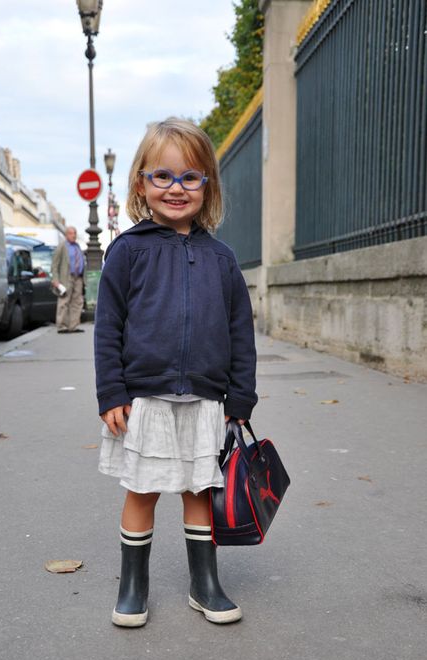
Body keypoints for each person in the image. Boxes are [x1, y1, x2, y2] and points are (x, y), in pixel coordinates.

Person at [94, 118, 257, 628]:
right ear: (141, 182)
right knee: (140, 490)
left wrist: (241, 396)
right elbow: (108, 328)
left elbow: (240, 331)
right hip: (144, 398)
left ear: (207, 184)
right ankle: (132, 585)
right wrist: (111, 391)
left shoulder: (222, 259)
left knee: (198, 491)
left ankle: (203, 583)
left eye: (190, 177)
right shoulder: (127, 252)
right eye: (162, 176)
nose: (176, 188)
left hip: (206, 399)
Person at [51, 226, 85, 333]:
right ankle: (62, 326)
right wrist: (55, 279)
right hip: (66, 277)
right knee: (64, 301)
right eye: (71, 233)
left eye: (74, 233)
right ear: (66, 235)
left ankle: (73, 326)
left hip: (78, 277)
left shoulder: (77, 246)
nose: (73, 235)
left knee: (77, 302)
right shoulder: (62, 246)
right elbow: (55, 265)